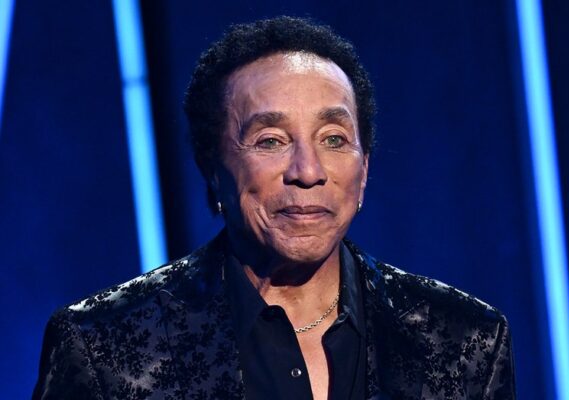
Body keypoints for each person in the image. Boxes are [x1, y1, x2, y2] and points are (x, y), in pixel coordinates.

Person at [33, 16, 515, 400]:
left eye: (333, 139)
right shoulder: (106, 348)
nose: (307, 170)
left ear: (364, 169)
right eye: (270, 140)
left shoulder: (463, 341)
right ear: (213, 168)